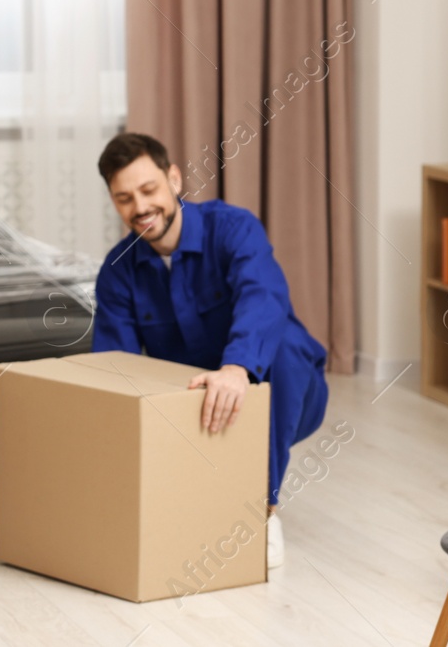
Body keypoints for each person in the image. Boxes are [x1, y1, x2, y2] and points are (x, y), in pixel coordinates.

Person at [90, 131, 328, 569]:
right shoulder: (117, 272)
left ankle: (262, 509)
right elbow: (114, 366)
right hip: (198, 417)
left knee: (289, 343)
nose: (140, 208)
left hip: (286, 398)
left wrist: (237, 368)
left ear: (174, 180)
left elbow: (265, 296)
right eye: (124, 198)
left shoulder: (233, 228)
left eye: (148, 190)